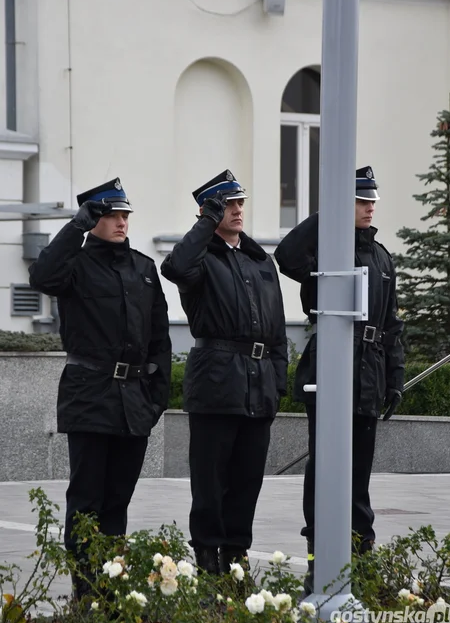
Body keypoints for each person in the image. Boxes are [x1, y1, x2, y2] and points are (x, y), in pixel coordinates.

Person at [29, 178, 171, 599]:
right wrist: (76, 227)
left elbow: (160, 338)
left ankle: (112, 590)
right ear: (93, 218)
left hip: (133, 401)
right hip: (89, 394)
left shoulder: (144, 268)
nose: (121, 221)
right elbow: (42, 275)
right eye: (110, 214)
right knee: (87, 499)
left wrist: (156, 397)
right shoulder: (75, 264)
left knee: (117, 502)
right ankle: (86, 592)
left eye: (125, 214)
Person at [274, 166, 404, 592]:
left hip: (369, 371)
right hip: (331, 367)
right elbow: (287, 256)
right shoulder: (327, 248)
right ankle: (319, 553)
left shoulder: (382, 257)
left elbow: (391, 325)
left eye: (371, 202)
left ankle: (360, 553)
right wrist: (324, 215)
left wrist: (395, 379)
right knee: (325, 468)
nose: (368, 208)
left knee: (359, 472)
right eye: (359, 201)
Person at [161, 170, 288, 575]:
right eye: (228, 204)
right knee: (210, 482)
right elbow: (176, 268)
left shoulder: (258, 259)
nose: (237, 210)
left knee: (247, 480)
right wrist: (204, 222)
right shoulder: (200, 259)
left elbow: (279, 329)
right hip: (217, 381)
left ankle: (236, 557)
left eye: (239, 203)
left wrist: (278, 379)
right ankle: (208, 557)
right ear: (209, 210)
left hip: (259, 383)